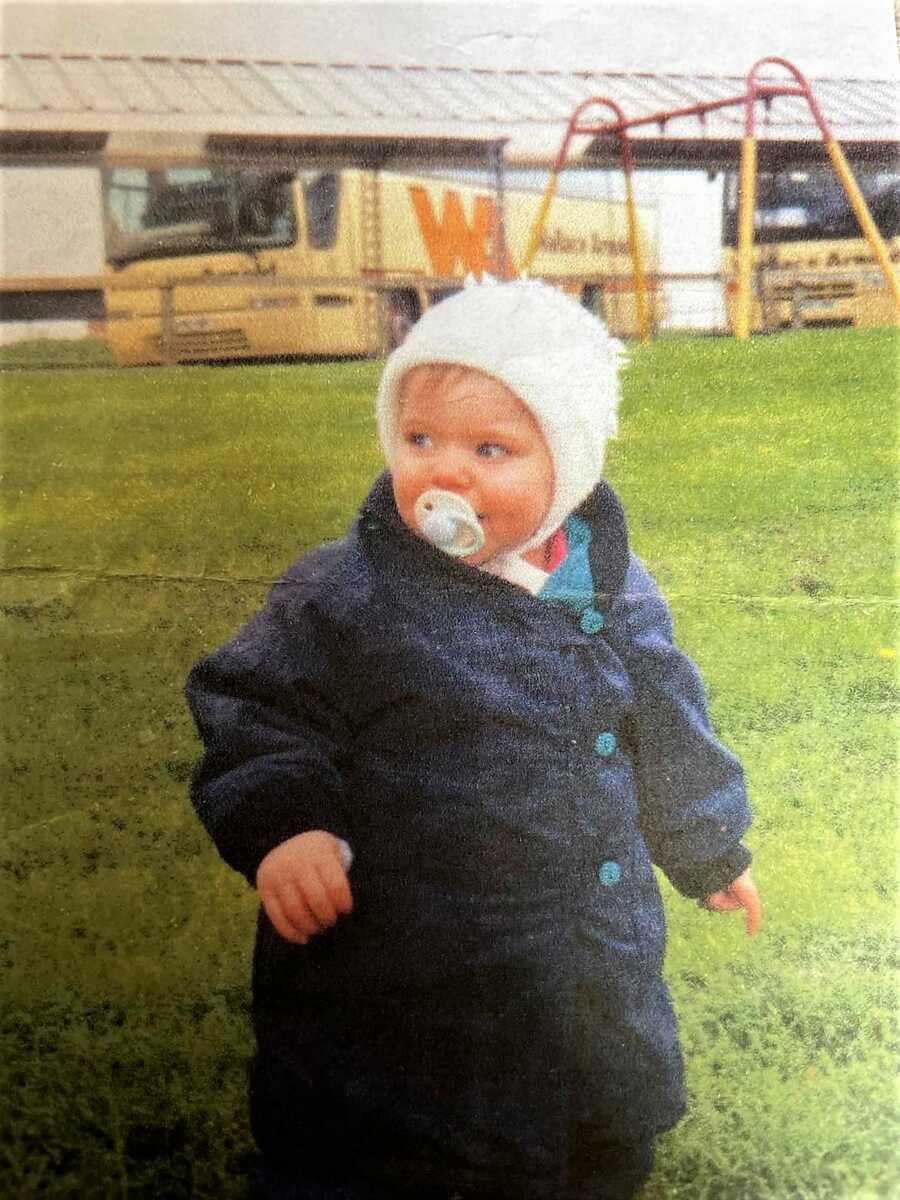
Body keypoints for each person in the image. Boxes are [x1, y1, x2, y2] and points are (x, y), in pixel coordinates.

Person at [186, 277, 762, 1200]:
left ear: (566, 464)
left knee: (592, 1135)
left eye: (490, 448)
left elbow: (665, 718)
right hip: (399, 974)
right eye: (420, 440)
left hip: (580, 958)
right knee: (386, 1154)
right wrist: (285, 824)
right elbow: (257, 708)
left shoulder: (606, 583)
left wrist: (705, 843)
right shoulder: (348, 592)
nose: (444, 473)